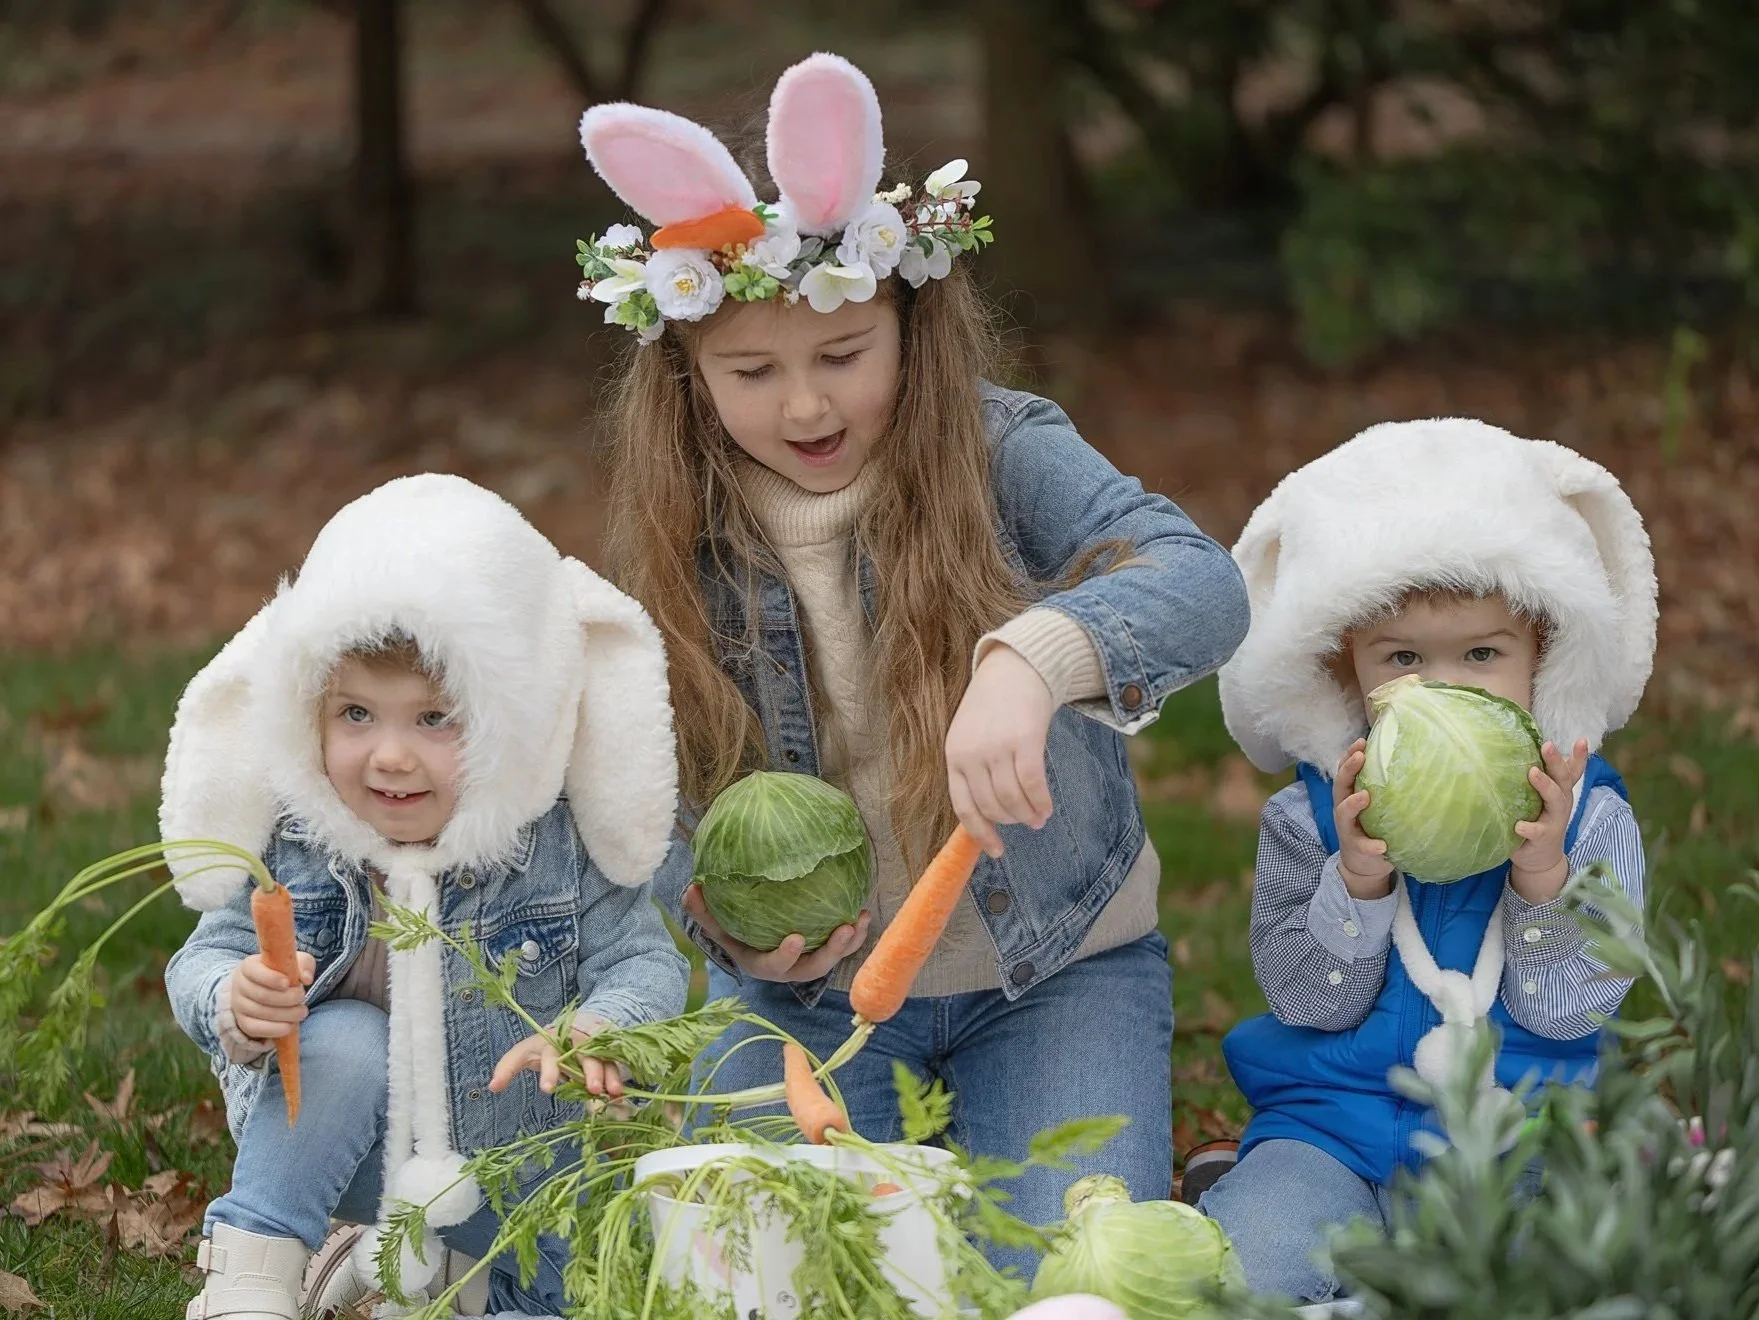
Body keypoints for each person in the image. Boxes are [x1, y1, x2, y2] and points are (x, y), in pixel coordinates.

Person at [573, 50, 1251, 1270]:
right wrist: (724, 924)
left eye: (842, 357)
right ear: (683, 372)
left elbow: (1200, 582)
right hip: (806, 1007)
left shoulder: (1001, 453)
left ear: (909, 327)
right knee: (770, 1274)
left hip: (1054, 976)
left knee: (1059, 1281)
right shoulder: (685, 541)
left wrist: (1036, 660)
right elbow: (652, 779)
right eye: (751, 372)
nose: (803, 409)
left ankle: (1166, 1185)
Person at [162, 473, 689, 1319]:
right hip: (345, 1146)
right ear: (309, 709)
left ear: (510, 718)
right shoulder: (299, 837)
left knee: (576, 1285)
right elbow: (203, 959)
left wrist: (601, 1026)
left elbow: (647, 962)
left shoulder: (550, 842)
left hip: (513, 1163)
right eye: (357, 715)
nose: (390, 757)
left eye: (434, 719)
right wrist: (233, 996)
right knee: (342, 1040)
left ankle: (441, 1274)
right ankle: (257, 1265)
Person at [1198, 417, 1657, 1303]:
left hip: (1518, 1135)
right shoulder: (1309, 815)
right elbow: (1301, 997)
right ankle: (1260, 1202)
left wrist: (1542, 881)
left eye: (1482, 655)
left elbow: (1569, 1012)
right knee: (1252, 1275)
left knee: (1554, 1284)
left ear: (1542, 658)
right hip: (1331, 1129)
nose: (1444, 688)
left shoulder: (1591, 816)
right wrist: (1357, 883)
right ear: (1344, 668)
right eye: (1403, 658)